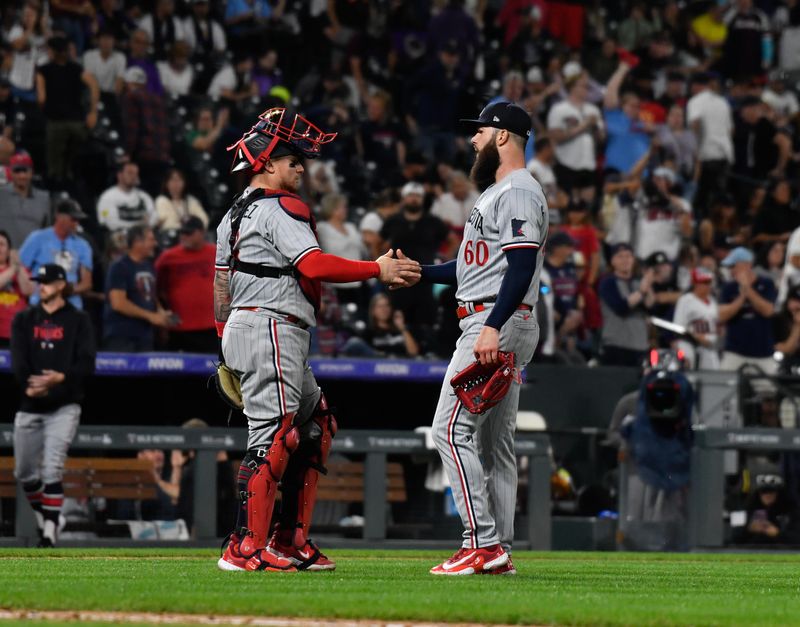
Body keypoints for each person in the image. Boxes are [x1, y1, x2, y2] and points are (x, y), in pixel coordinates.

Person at [214, 107, 420, 573]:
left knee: (316, 424)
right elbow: (314, 265)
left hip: (255, 327)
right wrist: (376, 269)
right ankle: (245, 546)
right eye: (293, 161)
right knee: (274, 436)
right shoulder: (276, 207)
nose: (302, 168)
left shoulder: (232, 215)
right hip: (271, 326)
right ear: (266, 164)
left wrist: (225, 343)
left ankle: (289, 540)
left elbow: (221, 286)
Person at [399, 101, 546, 575]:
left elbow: (522, 267)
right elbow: (471, 268)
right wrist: (419, 271)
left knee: (448, 429)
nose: (473, 140)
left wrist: (492, 326)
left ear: (503, 136)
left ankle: (481, 543)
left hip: (495, 322)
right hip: (501, 318)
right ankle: (497, 548)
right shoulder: (501, 191)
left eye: (480, 132)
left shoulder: (519, 190)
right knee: (495, 445)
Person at [10, 263, 96, 546]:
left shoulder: (78, 319)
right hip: (30, 403)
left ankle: (48, 534)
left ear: (61, 285)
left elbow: (87, 362)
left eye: (46, 282)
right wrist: (30, 384)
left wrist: (60, 378)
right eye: (39, 282)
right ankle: (48, 515)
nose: (41, 286)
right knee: (24, 472)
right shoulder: (25, 318)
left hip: (64, 404)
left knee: (52, 469)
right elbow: (18, 359)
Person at [36, 34, 100, 187]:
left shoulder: (43, 71)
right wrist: (93, 111)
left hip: (55, 122)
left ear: (53, 51)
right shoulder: (76, 69)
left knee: (54, 163)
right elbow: (94, 85)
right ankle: (72, 179)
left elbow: (41, 98)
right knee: (74, 158)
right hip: (76, 122)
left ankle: (56, 184)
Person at [103, 225, 174, 352]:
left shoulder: (149, 266)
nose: (155, 243)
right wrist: (151, 316)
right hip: (122, 335)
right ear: (137, 242)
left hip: (145, 335)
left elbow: (150, 295)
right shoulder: (119, 267)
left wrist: (160, 312)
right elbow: (118, 303)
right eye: (151, 239)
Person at [155, 216, 217, 353]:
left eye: (189, 233)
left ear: (201, 232)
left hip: (211, 325)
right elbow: (156, 288)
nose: (184, 237)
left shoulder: (216, 252)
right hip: (180, 327)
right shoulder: (168, 257)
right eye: (182, 233)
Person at [19, 199, 93, 310]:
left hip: (71, 306)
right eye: (73, 219)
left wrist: (66, 290)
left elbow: (87, 283)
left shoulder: (82, 245)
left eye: (78, 220)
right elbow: (20, 267)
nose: (76, 224)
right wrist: (37, 289)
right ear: (59, 217)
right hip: (40, 304)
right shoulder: (38, 238)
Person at [718, 247, 777, 373]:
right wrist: (742, 296)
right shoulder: (729, 288)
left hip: (763, 353)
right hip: (734, 352)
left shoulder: (767, 284)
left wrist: (747, 289)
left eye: (734, 266)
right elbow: (722, 316)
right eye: (730, 267)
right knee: (724, 389)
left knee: (769, 391)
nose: (732, 270)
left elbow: (768, 311)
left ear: (748, 264)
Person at [598, 243, 654, 366]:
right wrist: (641, 291)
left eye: (628, 256)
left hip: (640, 345)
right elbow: (620, 307)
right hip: (616, 345)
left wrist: (648, 282)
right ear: (612, 261)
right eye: (620, 256)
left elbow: (650, 306)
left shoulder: (638, 281)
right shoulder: (608, 282)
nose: (625, 260)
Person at [672, 267, 720, 370]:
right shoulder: (686, 300)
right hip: (689, 343)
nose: (706, 286)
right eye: (703, 282)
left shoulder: (713, 301)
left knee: (714, 374)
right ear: (695, 284)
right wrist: (695, 335)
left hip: (710, 347)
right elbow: (678, 326)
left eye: (708, 282)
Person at [0, 152, 51, 248]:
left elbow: (47, 231)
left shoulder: (44, 198)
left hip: (33, 256)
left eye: (25, 171)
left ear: (32, 172)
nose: (22, 176)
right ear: (10, 172)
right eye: (17, 171)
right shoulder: (1, 194)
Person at [96, 161, 157, 234]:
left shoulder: (144, 196)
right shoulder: (107, 197)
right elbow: (110, 223)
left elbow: (154, 216)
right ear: (119, 175)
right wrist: (138, 225)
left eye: (136, 173)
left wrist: (148, 224)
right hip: (119, 238)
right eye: (130, 173)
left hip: (143, 237)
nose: (134, 176)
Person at [0, 230, 35, 347]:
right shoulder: (13, 269)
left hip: (17, 331)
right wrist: (13, 269)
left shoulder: (21, 269)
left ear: (9, 249)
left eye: (1, 244)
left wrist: (18, 267)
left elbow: (28, 290)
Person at [154, 168, 209, 232]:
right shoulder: (161, 200)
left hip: (191, 235)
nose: (176, 183)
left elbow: (204, 220)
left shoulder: (191, 200)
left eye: (179, 180)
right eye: (173, 180)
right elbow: (168, 224)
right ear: (166, 183)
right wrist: (190, 226)